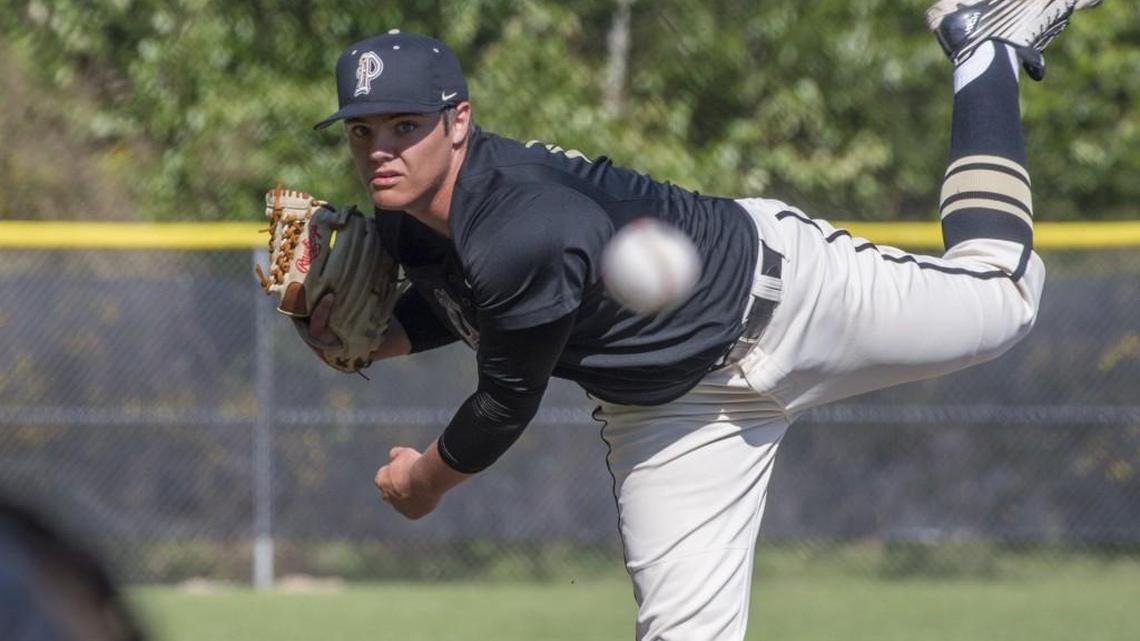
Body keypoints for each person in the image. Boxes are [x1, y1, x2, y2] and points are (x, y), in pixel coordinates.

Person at [306, 2, 1101, 638]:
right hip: (671, 414)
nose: (380, 149)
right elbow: (465, 300)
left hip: (787, 303)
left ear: (457, 121)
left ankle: (983, 51)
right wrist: (385, 333)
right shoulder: (409, 219)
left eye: (404, 125)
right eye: (362, 131)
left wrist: (424, 479)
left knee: (1002, 301)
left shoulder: (522, 225)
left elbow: (504, 400)